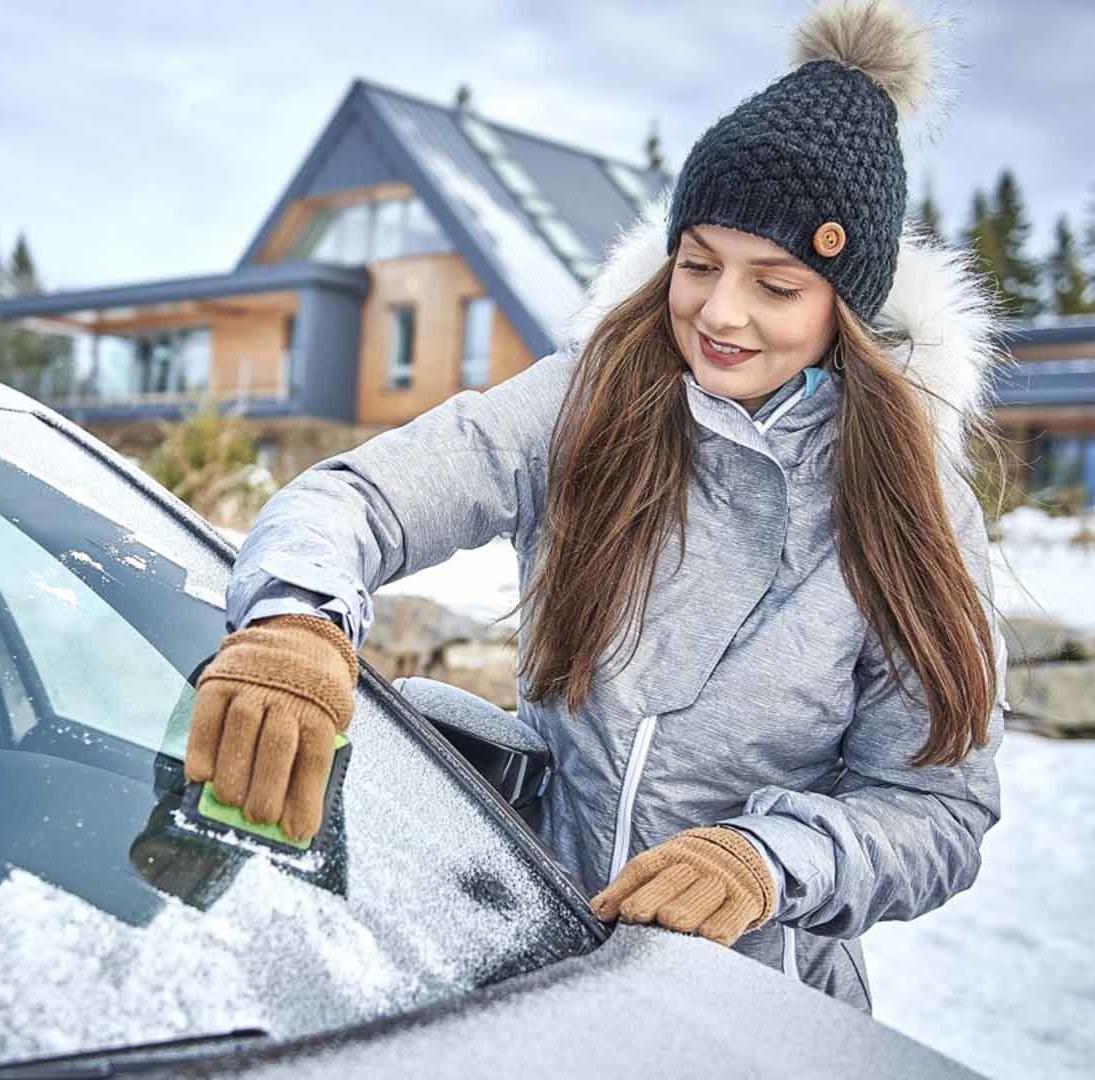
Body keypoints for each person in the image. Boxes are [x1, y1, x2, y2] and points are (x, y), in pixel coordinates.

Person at [183, 0, 1008, 1012]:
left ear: (848, 308)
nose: (720, 311)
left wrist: (768, 860)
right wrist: (293, 624)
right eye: (698, 263)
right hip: (538, 963)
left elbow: (934, 810)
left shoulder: (910, 506)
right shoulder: (587, 402)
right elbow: (361, 500)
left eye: (777, 283)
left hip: (751, 1013)